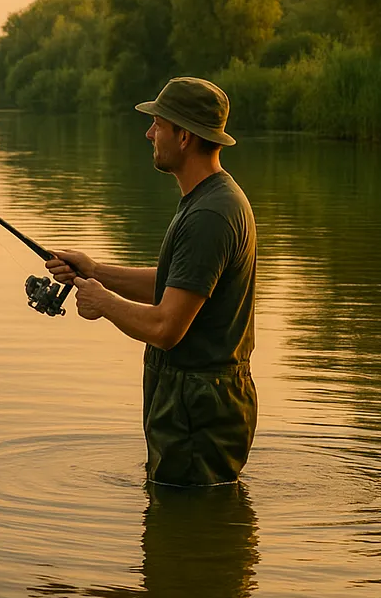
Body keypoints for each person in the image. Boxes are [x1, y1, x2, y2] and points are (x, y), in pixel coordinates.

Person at [46, 77, 258, 486]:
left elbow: (166, 328)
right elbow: (175, 285)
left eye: (157, 124)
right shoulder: (210, 200)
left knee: (191, 530)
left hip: (198, 413)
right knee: (185, 531)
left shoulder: (210, 215)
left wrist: (103, 302)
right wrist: (94, 270)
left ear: (182, 136)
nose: (148, 133)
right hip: (194, 406)